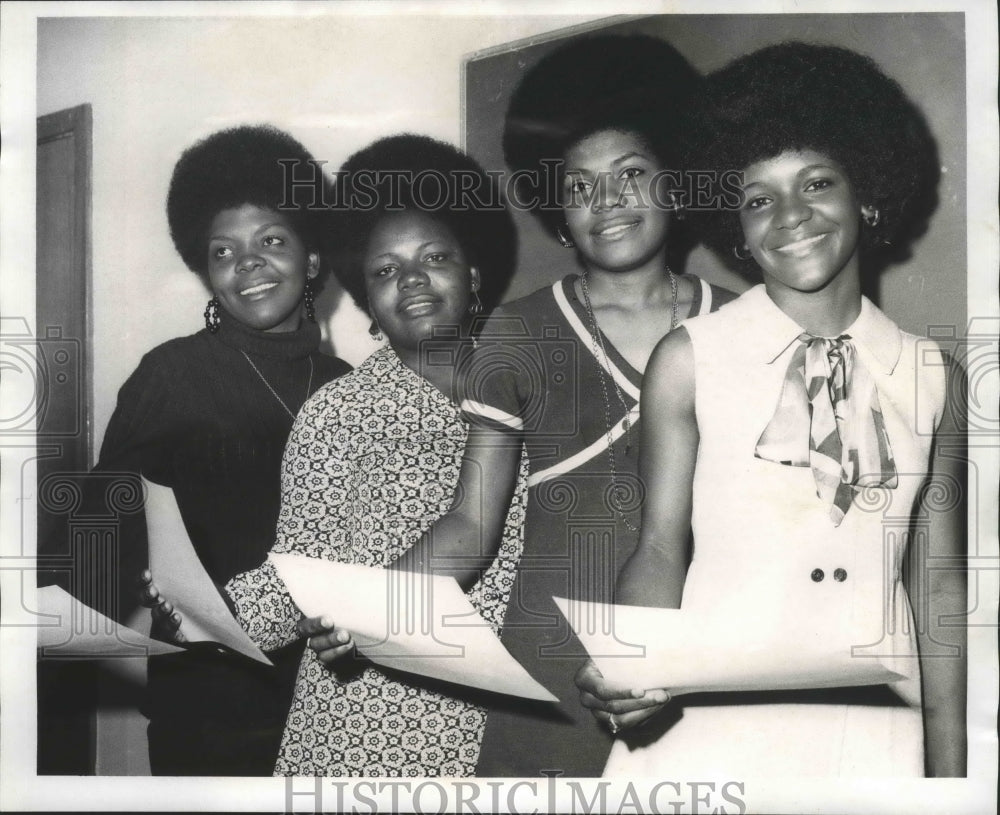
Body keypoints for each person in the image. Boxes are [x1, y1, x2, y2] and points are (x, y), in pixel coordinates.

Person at [309, 35, 737, 777]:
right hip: (550, 670)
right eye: (579, 187)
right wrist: (373, 603)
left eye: (632, 174)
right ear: (558, 213)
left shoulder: (742, 327)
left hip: (694, 660)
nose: (607, 202)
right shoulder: (517, 330)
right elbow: (471, 523)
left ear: (677, 182)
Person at [577, 42, 967, 778]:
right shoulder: (689, 357)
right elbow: (659, 547)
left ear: (868, 194)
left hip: (873, 744)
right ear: (738, 226)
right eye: (759, 198)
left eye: (817, 182)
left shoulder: (933, 374)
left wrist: (951, 775)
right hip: (711, 736)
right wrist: (629, 667)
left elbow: (940, 584)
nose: (791, 214)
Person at [221, 134, 527, 776]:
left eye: (433, 257)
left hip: (510, 726)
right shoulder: (337, 412)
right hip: (360, 724)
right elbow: (299, 568)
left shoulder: (542, 393)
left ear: (473, 276)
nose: (411, 280)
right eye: (385, 270)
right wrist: (204, 615)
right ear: (367, 302)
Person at [82, 124, 351, 775]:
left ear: (312, 260)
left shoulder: (350, 385)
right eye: (224, 252)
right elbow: (95, 530)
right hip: (211, 714)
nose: (248, 263)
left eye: (272, 241)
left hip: (335, 703)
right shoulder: (172, 374)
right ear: (209, 274)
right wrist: (143, 576)